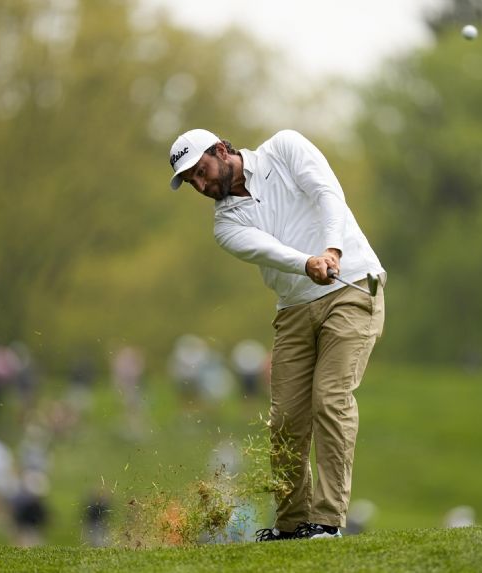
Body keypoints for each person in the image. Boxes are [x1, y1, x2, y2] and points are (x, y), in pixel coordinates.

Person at [167, 128, 385, 541]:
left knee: (331, 399)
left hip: (353, 286)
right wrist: (308, 263)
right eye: (192, 181)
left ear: (220, 149)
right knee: (285, 421)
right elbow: (269, 251)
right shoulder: (225, 224)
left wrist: (333, 251)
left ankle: (327, 520)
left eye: (201, 171)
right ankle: (290, 526)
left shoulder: (284, 148)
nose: (201, 184)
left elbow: (327, 194)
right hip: (293, 309)